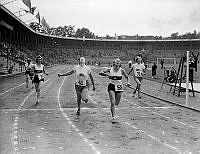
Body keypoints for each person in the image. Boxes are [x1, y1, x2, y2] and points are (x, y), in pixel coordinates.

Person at [99, 58, 130, 122]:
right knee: (112, 102)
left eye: (118, 64)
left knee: (117, 103)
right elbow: (100, 72)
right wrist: (106, 74)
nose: (117, 65)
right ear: (113, 64)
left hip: (119, 86)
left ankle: (113, 108)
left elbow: (127, 77)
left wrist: (128, 82)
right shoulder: (110, 69)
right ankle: (113, 117)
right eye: (116, 64)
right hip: (111, 86)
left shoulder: (122, 70)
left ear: (120, 64)